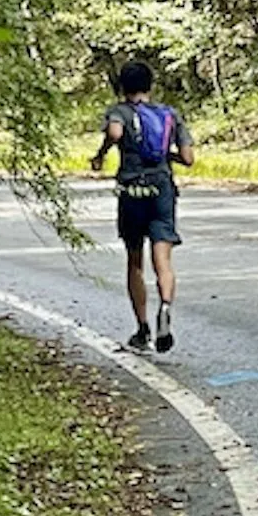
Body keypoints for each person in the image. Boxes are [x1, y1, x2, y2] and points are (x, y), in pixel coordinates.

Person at [91, 59, 192, 352]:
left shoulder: (120, 111)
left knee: (135, 260)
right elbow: (188, 158)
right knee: (163, 258)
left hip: (133, 189)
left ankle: (142, 328)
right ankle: (166, 307)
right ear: (150, 85)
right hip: (162, 187)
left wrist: (102, 154)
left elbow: (115, 133)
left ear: (122, 86)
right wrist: (165, 157)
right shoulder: (169, 114)